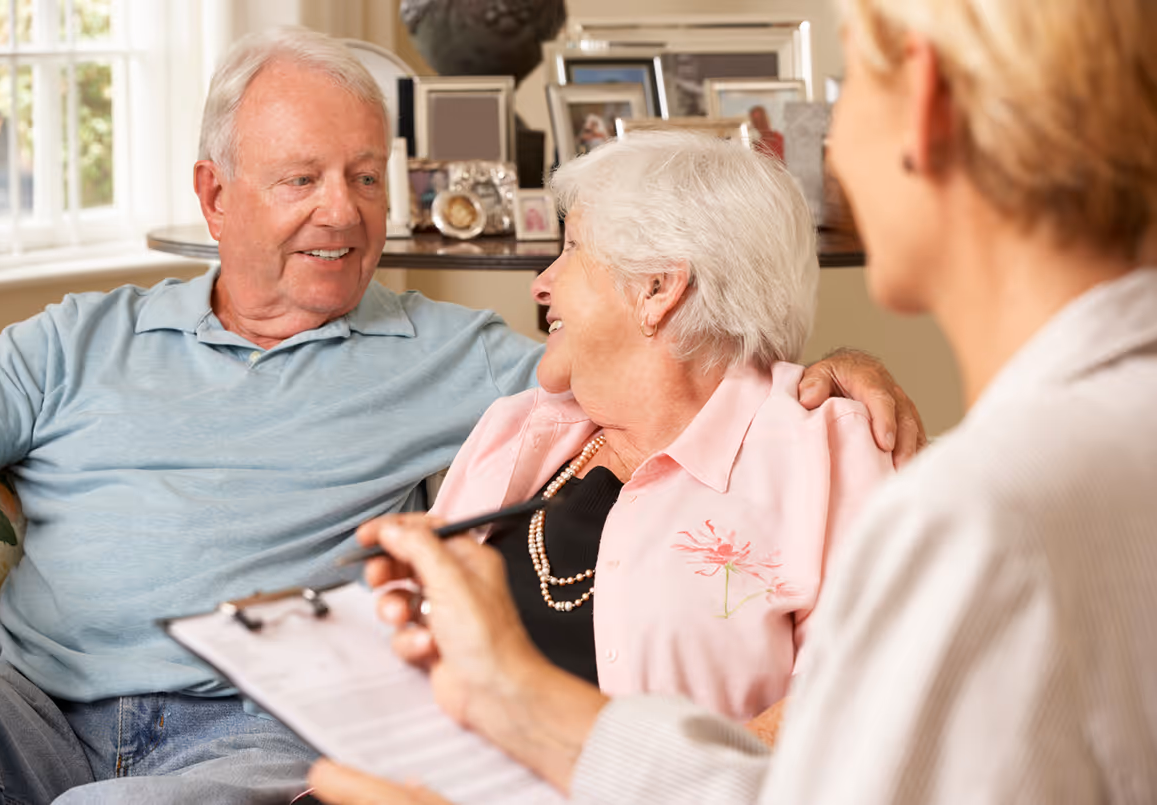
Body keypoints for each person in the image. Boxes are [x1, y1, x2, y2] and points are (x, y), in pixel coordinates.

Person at [0, 26, 920, 805]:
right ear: (216, 196)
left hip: (254, 732)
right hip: (34, 701)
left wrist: (839, 369)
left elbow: (682, 375)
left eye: (366, 176)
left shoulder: (463, 361)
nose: (344, 212)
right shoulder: (81, 336)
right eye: (302, 180)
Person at [308, 0, 1157, 802]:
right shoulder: (1094, 444)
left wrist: (519, 709)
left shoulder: (972, 515)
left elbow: (818, 783)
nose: (830, 148)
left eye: (851, 84)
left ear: (925, 105)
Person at [427, 130, 892, 724]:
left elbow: (858, 712)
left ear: (657, 289)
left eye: (571, 249)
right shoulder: (517, 428)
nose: (541, 283)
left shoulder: (827, 454)